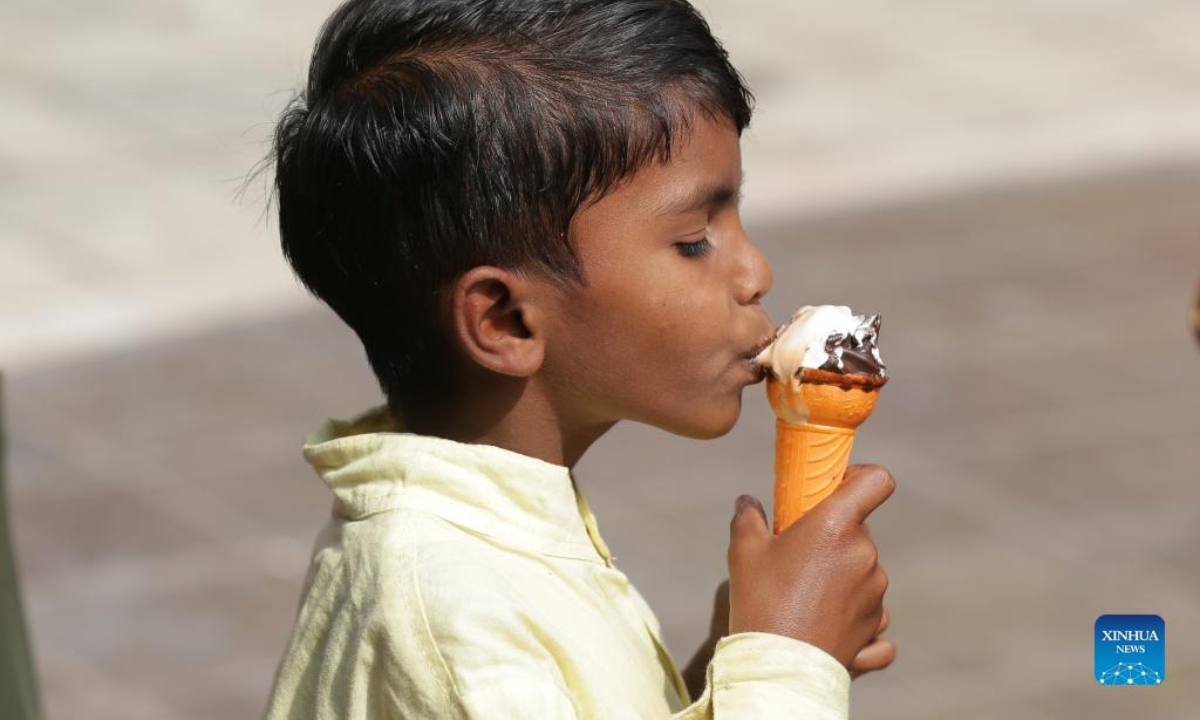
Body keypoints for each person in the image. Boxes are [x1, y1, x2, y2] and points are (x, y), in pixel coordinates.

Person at [261, 0, 896, 717]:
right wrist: (787, 666)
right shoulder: (456, 617)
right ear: (506, 320)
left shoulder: (474, 544)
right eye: (693, 240)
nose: (755, 271)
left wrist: (732, 661)